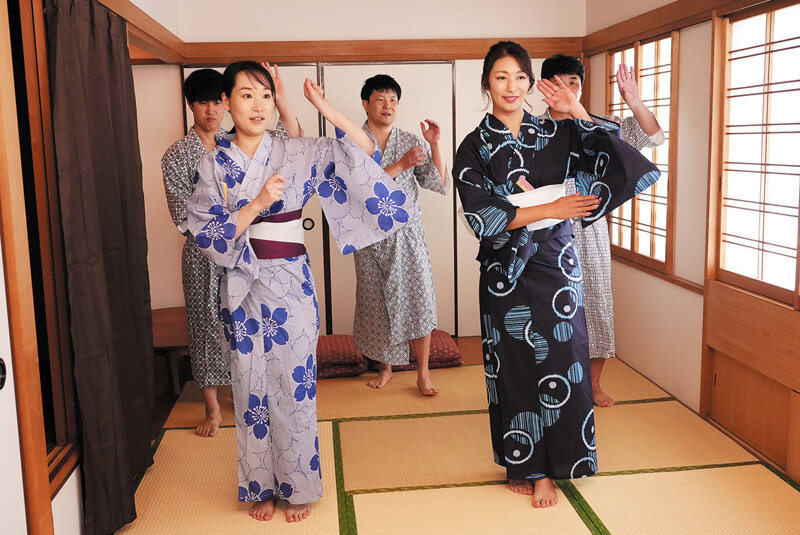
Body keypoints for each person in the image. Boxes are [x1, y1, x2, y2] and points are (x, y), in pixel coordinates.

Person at [186, 61, 416, 523]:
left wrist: (325, 108)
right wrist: (257, 204)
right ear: (227, 101)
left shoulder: (296, 150)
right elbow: (207, 233)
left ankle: (298, 485)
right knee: (250, 388)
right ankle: (261, 485)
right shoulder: (212, 163)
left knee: (294, 386)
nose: (258, 105)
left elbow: (365, 149)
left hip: (291, 282)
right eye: (246, 95)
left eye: (266, 95)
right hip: (242, 286)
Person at [453, 41, 659, 508]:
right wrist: (552, 207)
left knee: (566, 356)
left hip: (557, 260)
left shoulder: (556, 131)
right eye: (501, 77)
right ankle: (529, 467)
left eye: (520, 77)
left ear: (530, 83)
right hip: (507, 267)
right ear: (486, 82)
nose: (511, 86)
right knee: (515, 364)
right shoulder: (474, 145)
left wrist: (577, 110)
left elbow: (617, 156)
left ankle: (564, 461)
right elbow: (481, 216)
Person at [161, 66, 300, 438]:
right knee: (206, 324)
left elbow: (290, 140)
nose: (210, 110)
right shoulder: (176, 155)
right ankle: (211, 408)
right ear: (191, 105)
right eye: (201, 102)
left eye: (215, 102)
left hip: (246, 248)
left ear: (225, 103)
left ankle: (246, 395)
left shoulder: (240, 142)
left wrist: (280, 98)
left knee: (246, 322)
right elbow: (182, 216)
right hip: (202, 253)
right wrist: (221, 225)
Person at [539, 54, 665, 407]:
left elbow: (654, 137)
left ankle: (593, 385)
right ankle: (550, 383)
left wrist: (634, 100)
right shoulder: (530, 128)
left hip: (590, 226)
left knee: (595, 302)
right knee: (548, 303)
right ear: (545, 86)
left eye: (574, 83)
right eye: (559, 83)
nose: (567, 90)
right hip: (545, 224)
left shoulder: (603, 126)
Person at [352, 74, 448, 395]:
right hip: (370, 237)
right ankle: (386, 367)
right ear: (366, 104)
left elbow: (438, 183)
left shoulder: (410, 140)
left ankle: (423, 373)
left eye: (393, 100)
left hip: (408, 236)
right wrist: (401, 164)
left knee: (420, 299)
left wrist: (434, 144)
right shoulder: (353, 142)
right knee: (377, 301)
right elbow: (359, 188)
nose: (388, 105)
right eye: (380, 99)